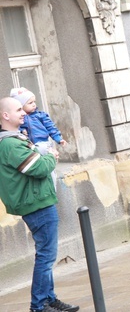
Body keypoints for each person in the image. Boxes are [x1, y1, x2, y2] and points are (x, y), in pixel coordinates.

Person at [0, 97, 79, 312]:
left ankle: (49, 299)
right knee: (46, 256)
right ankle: (39, 306)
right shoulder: (9, 143)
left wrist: (41, 155)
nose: (23, 113)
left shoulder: (15, 138)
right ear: (5, 115)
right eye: (18, 110)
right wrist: (51, 156)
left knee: (46, 254)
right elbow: (38, 168)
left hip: (37, 201)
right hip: (36, 204)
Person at [11, 88, 67, 188]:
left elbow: (51, 127)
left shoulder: (41, 115)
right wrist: (22, 132)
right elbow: (17, 131)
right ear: (21, 105)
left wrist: (58, 138)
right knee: (39, 169)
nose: (34, 104)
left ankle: (52, 188)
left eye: (34, 102)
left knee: (47, 167)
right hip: (30, 146)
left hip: (43, 143)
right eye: (30, 102)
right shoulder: (20, 119)